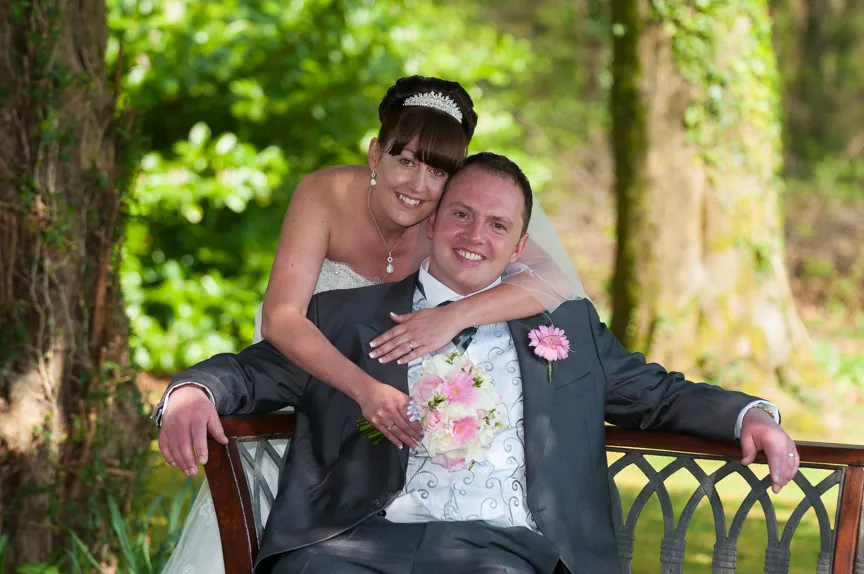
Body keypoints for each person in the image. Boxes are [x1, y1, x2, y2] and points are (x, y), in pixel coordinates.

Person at [155, 153, 799, 574]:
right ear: (431, 224)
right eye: (461, 214)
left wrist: (752, 415)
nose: (474, 235)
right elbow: (252, 371)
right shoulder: (346, 317)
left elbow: (656, 393)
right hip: (351, 545)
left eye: (496, 225)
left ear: (520, 245)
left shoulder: (563, 326)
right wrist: (191, 392)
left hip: (503, 547)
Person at [156, 77, 586, 574]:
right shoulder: (325, 194)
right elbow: (282, 319)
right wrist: (364, 390)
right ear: (375, 152)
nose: (419, 187)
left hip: (377, 445)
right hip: (306, 386)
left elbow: (556, 278)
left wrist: (453, 316)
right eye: (405, 161)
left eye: (438, 172)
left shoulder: (449, 224)